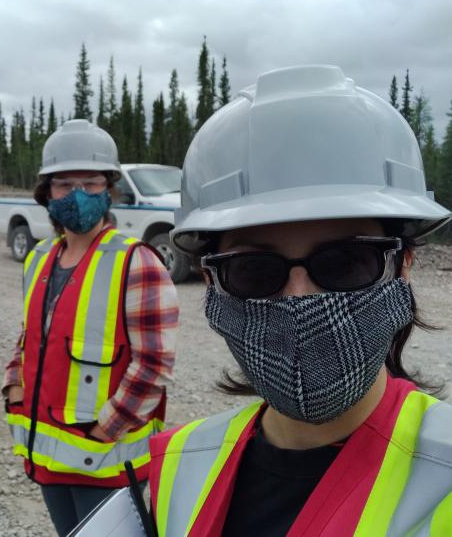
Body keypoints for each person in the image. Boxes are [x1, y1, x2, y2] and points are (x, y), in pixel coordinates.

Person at [145, 65, 452, 536]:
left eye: (346, 262)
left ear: (402, 265)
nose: (300, 299)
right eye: (254, 271)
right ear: (212, 283)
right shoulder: (178, 469)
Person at [3, 119, 179, 536]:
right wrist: (13, 384)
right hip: (46, 453)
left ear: (109, 189)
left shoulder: (138, 263)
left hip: (107, 463)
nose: (78, 194)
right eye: (65, 184)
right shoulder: (40, 257)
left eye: (92, 183)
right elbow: (29, 333)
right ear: (47, 192)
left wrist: (103, 430)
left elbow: (153, 364)